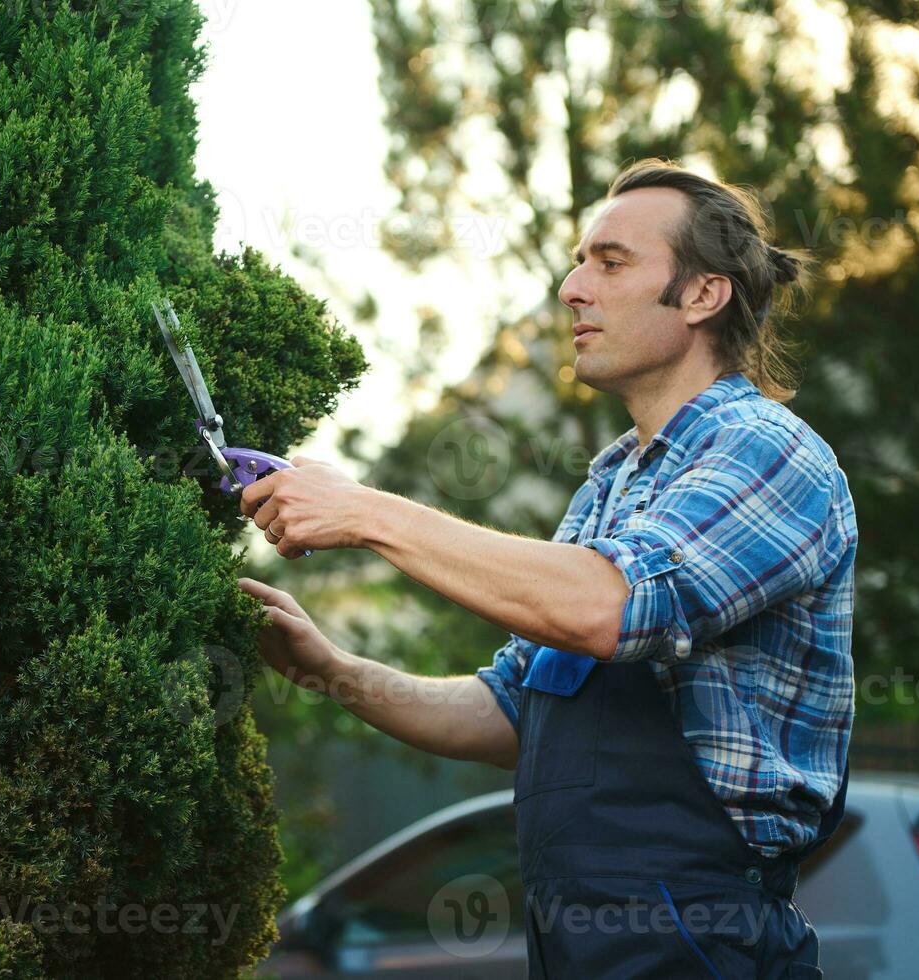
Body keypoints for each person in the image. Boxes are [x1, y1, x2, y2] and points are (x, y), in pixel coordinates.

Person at [236, 158, 857, 978]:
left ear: (703, 296)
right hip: (576, 938)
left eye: (609, 261)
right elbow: (511, 712)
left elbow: (615, 606)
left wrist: (366, 511)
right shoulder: (611, 483)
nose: (570, 287)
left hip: (699, 936)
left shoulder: (765, 451)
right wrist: (333, 671)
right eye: (578, 259)